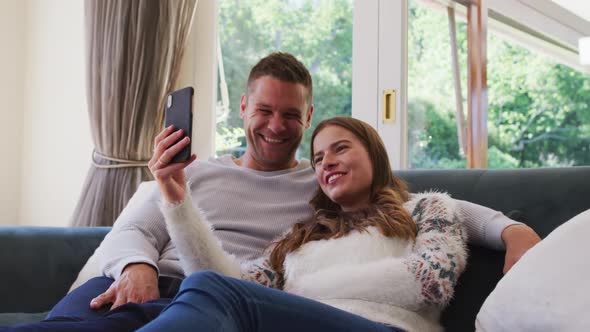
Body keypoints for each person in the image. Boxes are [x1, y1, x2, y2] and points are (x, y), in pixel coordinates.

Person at [1, 52, 540, 330]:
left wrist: (513, 230)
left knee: (210, 292)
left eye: (291, 116)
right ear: (243, 108)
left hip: (230, 302)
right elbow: (133, 234)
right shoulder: (197, 175)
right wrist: (135, 263)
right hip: (153, 286)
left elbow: (434, 210)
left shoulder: (331, 192)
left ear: (306, 117)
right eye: (264, 111)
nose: (276, 126)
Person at [138, 116, 468, 331]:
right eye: (319, 159)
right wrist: (177, 199)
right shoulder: (303, 238)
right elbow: (225, 282)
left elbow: (429, 282)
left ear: (374, 155)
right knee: (207, 284)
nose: (328, 162)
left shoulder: (428, 208)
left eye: (341, 149)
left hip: (388, 327)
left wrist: (298, 294)